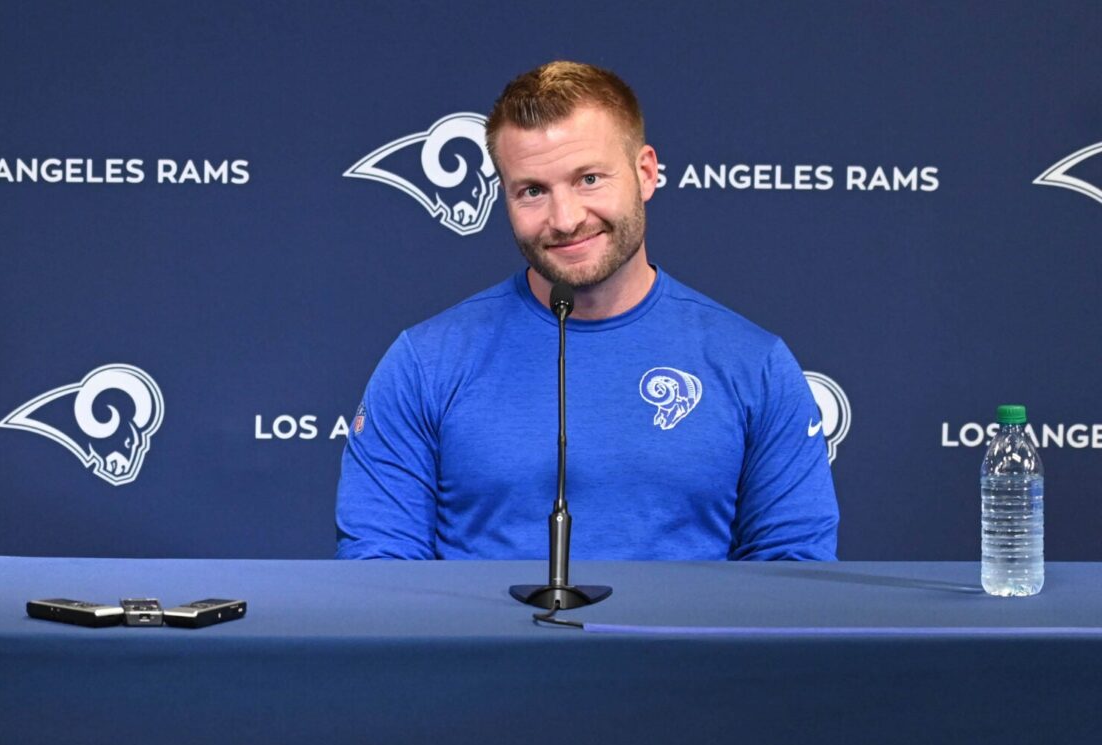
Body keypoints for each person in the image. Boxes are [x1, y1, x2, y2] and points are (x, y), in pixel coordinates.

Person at [336, 61, 837, 561]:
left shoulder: (756, 364)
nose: (566, 219)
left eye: (589, 179)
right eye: (532, 191)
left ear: (645, 173)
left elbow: (796, 582)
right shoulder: (425, 363)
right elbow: (378, 573)